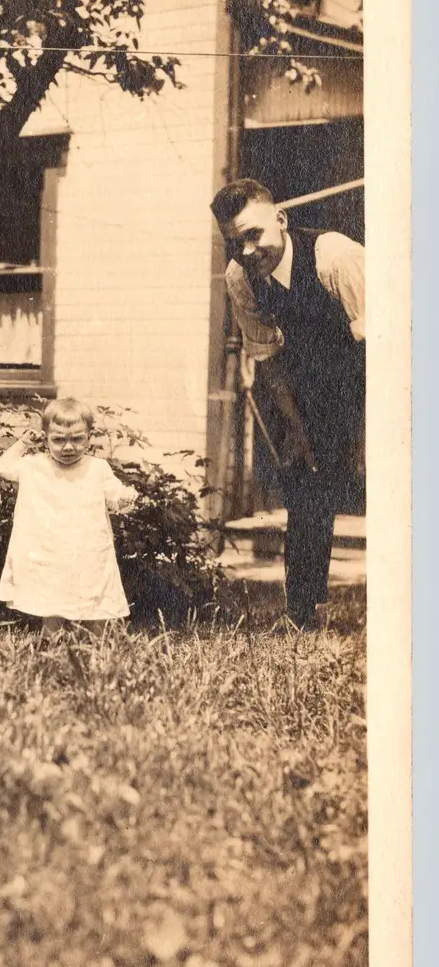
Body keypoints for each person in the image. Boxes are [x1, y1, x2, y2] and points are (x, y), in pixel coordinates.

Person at [210, 178, 366, 629]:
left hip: (375, 365)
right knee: (305, 479)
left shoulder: (335, 256)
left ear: (280, 219)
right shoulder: (240, 278)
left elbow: (386, 346)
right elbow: (271, 361)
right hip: (316, 384)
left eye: (253, 234)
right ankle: (303, 613)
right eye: (234, 242)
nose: (246, 250)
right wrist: (299, 429)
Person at [0, 398, 138, 636]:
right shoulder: (34, 466)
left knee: (96, 596)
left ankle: (97, 647)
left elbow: (114, 492)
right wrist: (22, 444)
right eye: (58, 439)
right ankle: (52, 647)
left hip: (88, 548)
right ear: (45, 437)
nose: (68, 447)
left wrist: (124, 497)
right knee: (53, 600)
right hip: (51, 548)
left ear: (89, 437)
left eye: (77, 439)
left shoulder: (97, 468)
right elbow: (2, 466)